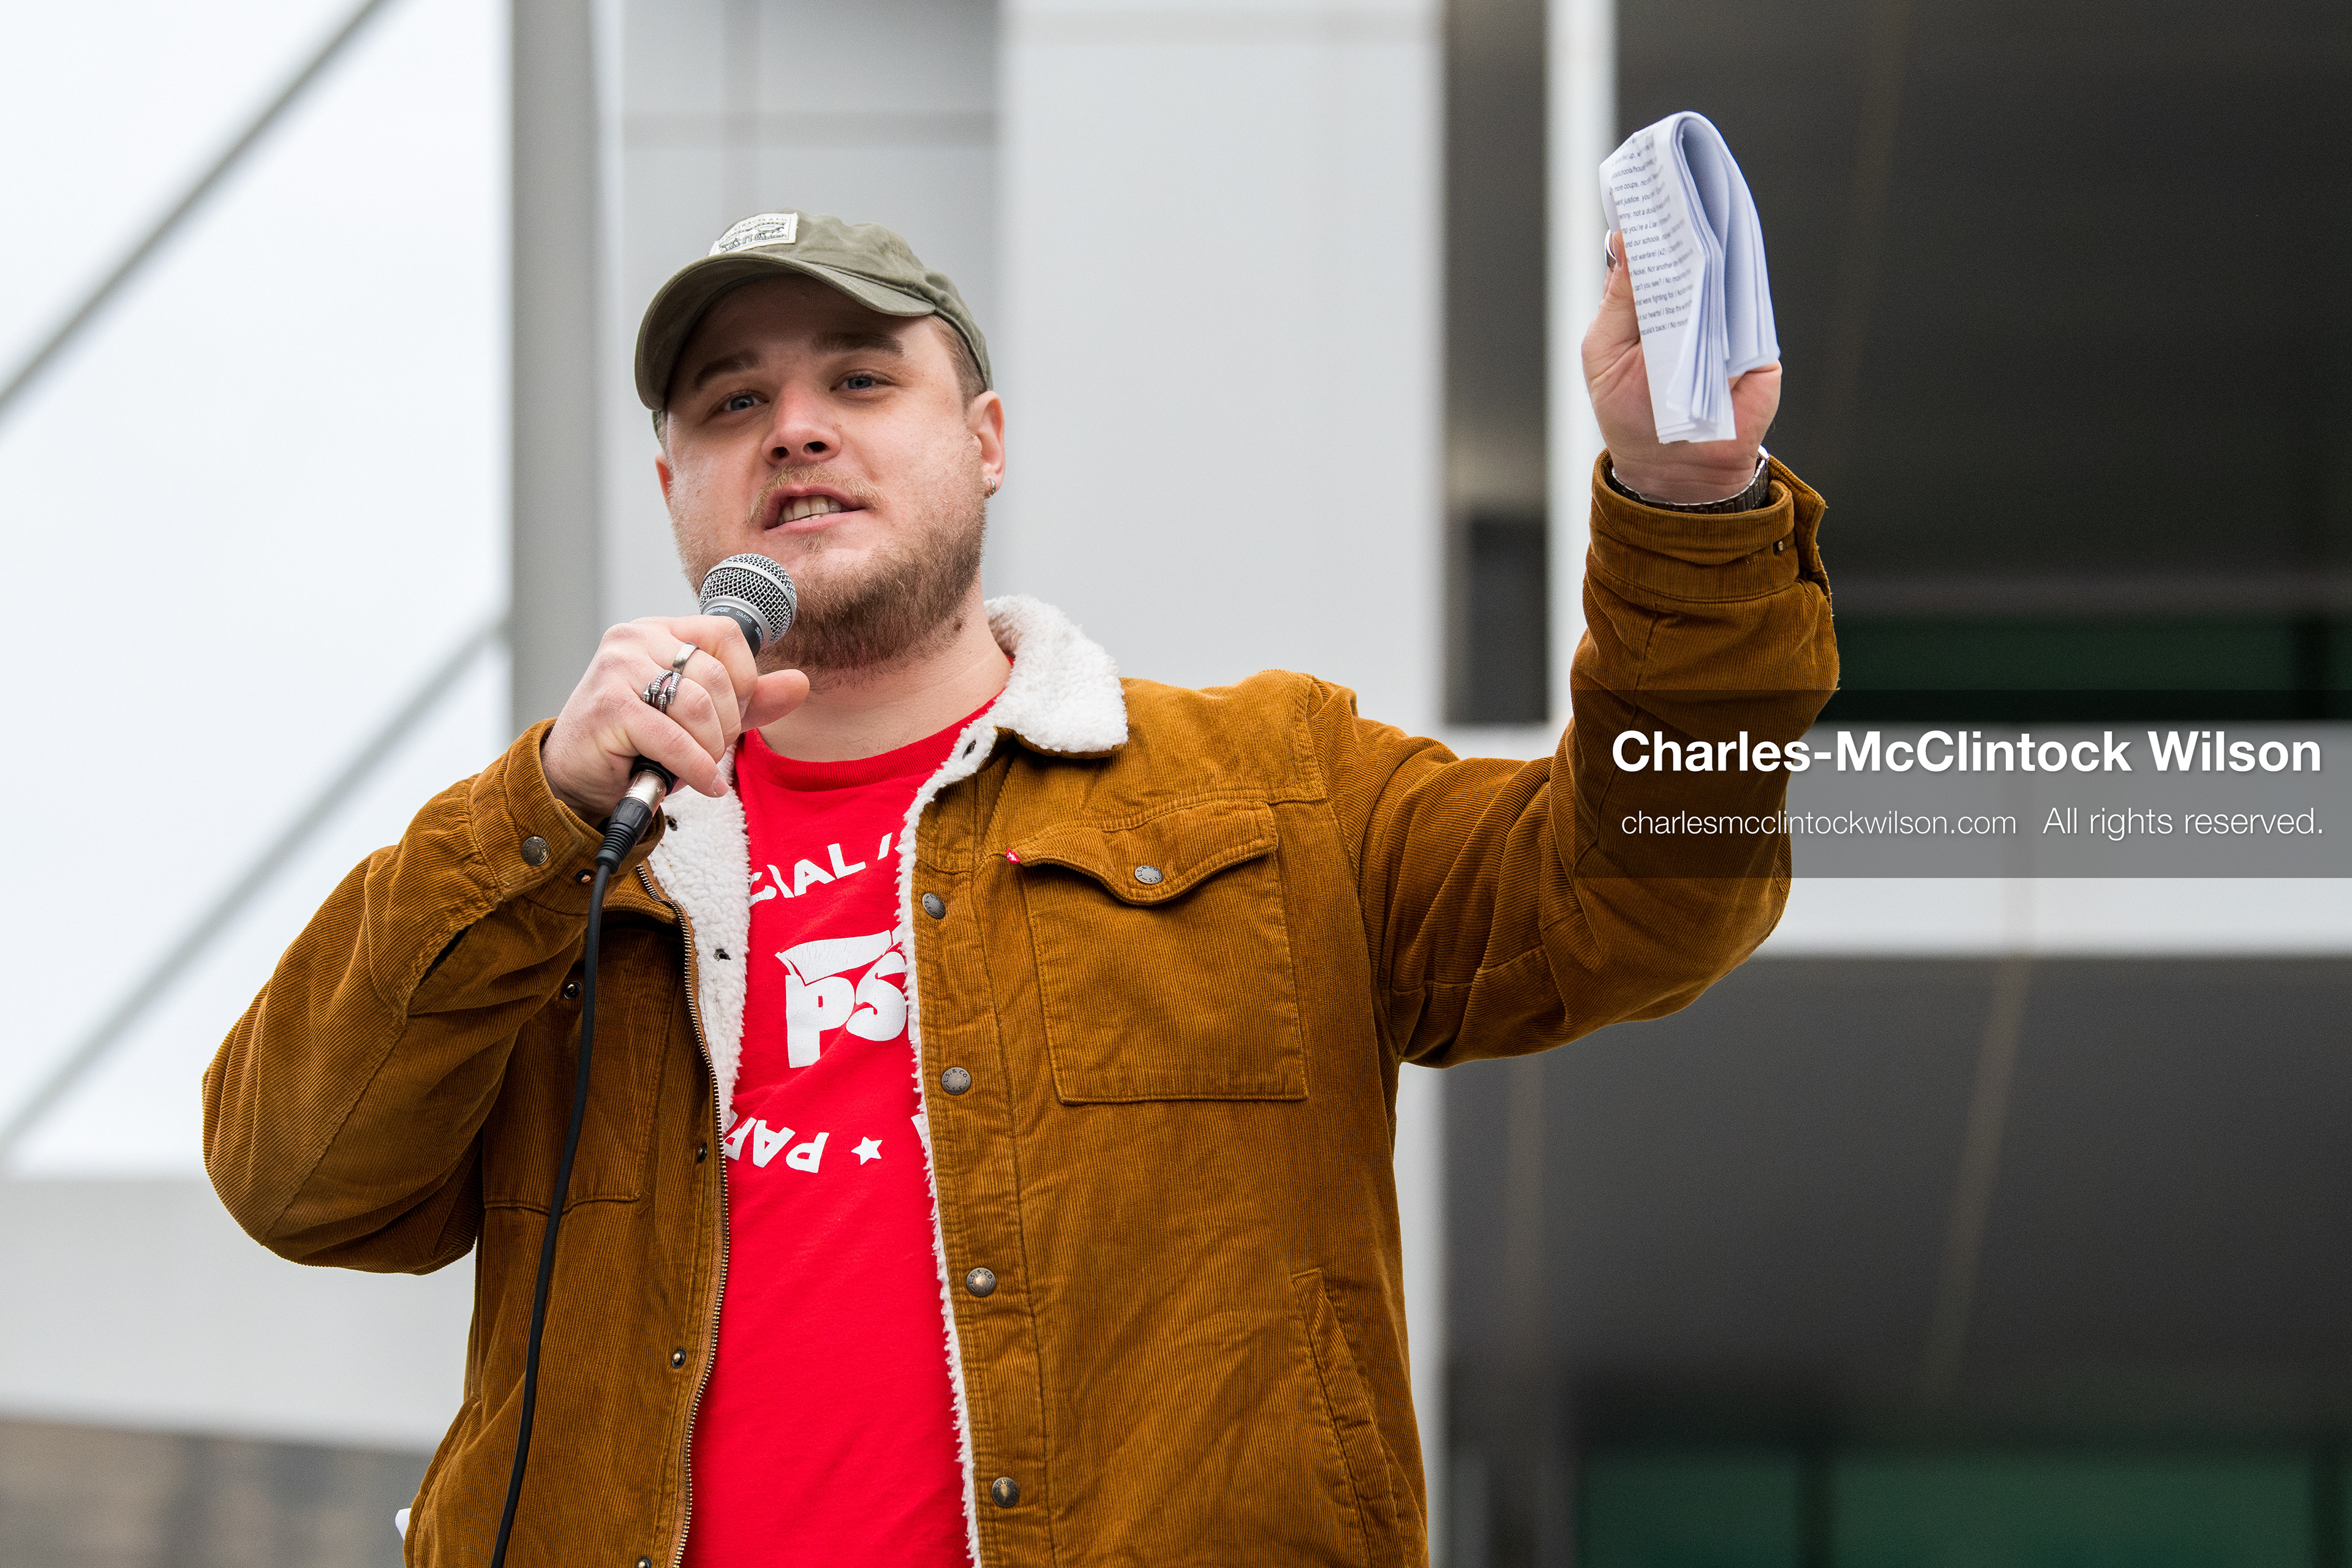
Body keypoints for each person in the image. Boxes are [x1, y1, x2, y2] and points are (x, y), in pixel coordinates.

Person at [203, 209, 1833, 1567]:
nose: (793, 429)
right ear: (677, 494)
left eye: (860, 377)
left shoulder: (1270, 787)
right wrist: (534, 816)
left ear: (985, 442)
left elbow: (1646, 899)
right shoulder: (564, 859)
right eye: (727, 405)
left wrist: (1689, 513)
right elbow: (296, 1176)